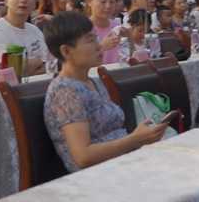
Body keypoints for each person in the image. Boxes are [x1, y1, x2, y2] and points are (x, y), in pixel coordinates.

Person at [42, 11, 168, 172]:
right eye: (90, 40)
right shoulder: (65, 91)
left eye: (95, 37)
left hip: (123, 164)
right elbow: (83, 157)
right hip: (100, 176)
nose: (98, 45)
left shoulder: (90, 81)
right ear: (66, 51)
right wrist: (135, 139)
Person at [85, 0, 123, 65]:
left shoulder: (117, 26)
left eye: (112, 2)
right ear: (90, 1)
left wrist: (130, 37)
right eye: (103, 1)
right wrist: (101, 47)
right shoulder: (82, 29)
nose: (108, 6)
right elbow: (77, 61)